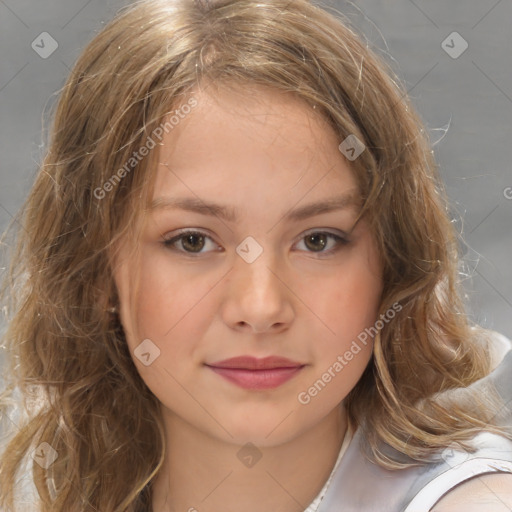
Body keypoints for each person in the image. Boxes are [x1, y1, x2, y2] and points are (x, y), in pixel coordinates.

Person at [0, 0, 511, 511]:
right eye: (193, 241)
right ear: (96, 273)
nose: (262, 307)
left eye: (318, 240)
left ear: (394, 265)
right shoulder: (42, 487)